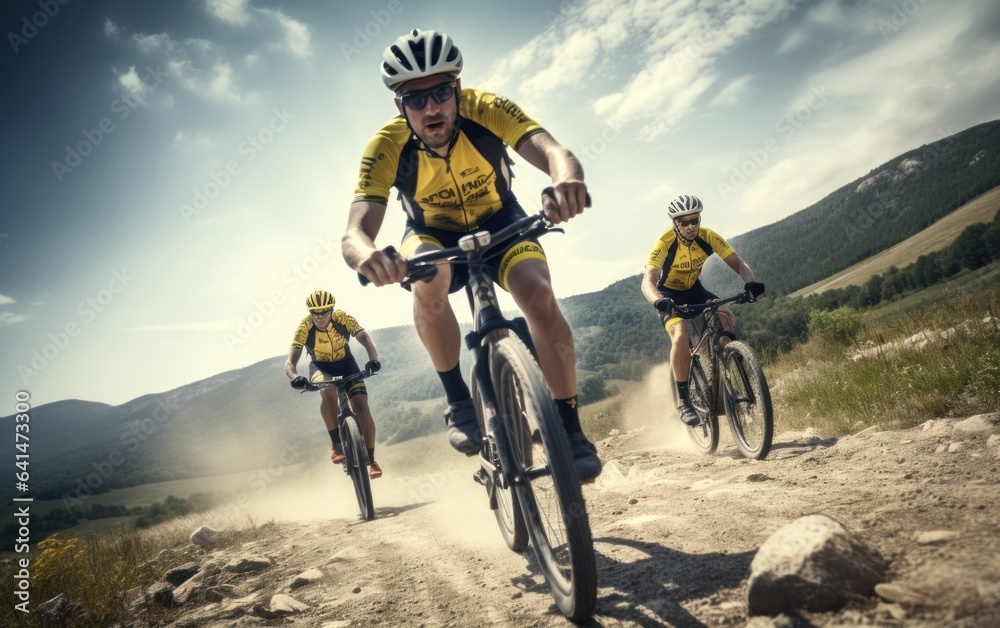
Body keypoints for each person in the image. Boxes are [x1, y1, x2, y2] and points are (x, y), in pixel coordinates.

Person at [341, 28, 601, 482]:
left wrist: (565, 182)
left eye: (442, 92)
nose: (432, 107)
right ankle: (458, 398)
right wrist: (368, 255)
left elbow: (554, 152)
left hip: (501, 219)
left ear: (458, 90)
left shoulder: (488, 109)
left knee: (538, 296)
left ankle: (570, 428)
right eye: (416, 99)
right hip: (431, 234)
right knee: (429, 282)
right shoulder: (385, 145)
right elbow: (354, 233)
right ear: (399, 106)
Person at [640, 195, 765, 426]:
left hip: (695, 290)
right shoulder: (664, 243)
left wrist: (750, 282)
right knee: (680, 335)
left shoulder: (707, 237)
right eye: (684, 222)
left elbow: (738, 263)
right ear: (675, 223)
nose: (691, 227)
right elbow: (647, 281)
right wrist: (658, 300)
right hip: (668, 295)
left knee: (725, 321)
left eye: (695, 220)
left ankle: (725, 378)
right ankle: (683, 400)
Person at [285, 289, 384, 479]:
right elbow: (290, 362)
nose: (320, 317)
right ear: (310, 312)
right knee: (328, 392)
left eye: (325, 312)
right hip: (321, 367)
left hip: (347, 364)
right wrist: (294, 377)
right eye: (316, 312)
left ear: (332, 310)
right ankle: (336, 444)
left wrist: (373, 359)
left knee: (362, 406)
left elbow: (364, 338)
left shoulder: (342, 318)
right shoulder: (304, 327)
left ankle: (371, 460)